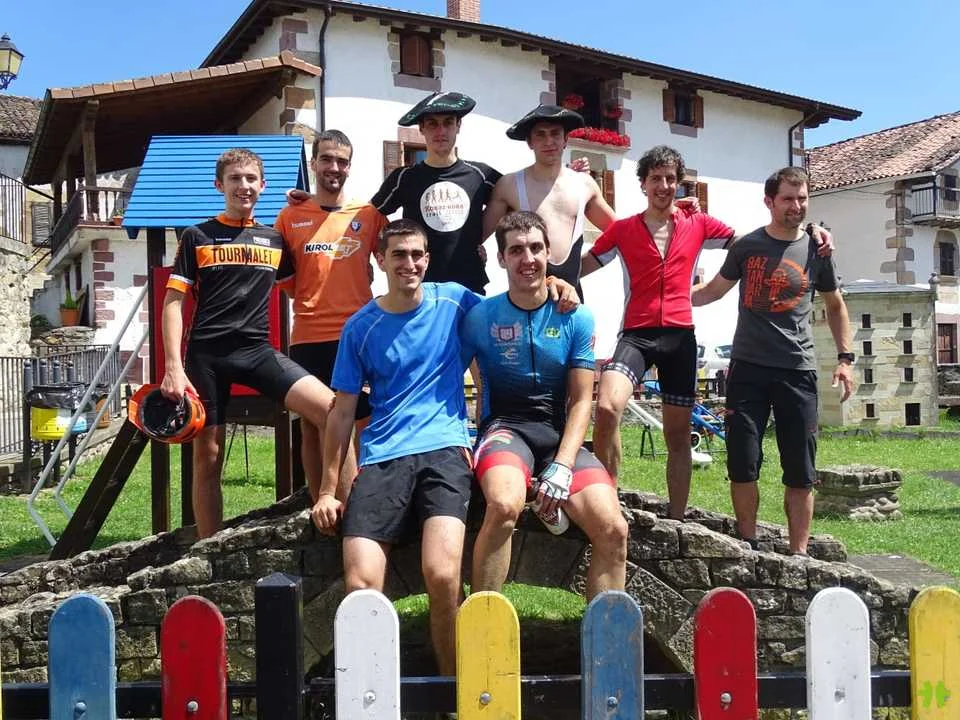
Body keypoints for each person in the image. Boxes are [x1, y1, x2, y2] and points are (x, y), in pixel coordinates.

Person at [313, 218, 579, 676]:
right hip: (382, 458)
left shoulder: (454, 301)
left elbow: (514, 304)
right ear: (380, 260)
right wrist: (326, 491)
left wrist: (554, 282)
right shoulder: (360, 327)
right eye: (399, 255)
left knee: (442, 576)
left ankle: (454, 690)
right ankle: (372, 695)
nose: (409, 263)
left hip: (445, 452)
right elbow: (340, 414)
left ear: (428, 259)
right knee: (361, 587)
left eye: (417, 254)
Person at [580, 145, 831, 522]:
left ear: (678, 184)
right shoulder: (623, 229)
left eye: (670, 179)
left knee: (678, 436)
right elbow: (580, 266)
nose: (664, 186)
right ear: (643, 184)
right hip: (636, 334)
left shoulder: (698, 224)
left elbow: (759, 242)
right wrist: (545, 271)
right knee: (606, 407)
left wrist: (809, 232)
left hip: (680, 337)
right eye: (655, 179)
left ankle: (676, 518)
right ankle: (607, 505)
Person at [160, 148, 335, 539]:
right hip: (207, 356)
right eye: (235, 179)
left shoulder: (274, 239)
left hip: (257, 351)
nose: (244, 186)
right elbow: (173, 302)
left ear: (263, 185)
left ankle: (335, 512)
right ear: (219, 185)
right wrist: (173, 368)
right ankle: (208, 551)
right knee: (208, 458)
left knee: (331, 409)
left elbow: (303, 284)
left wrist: (312, 202)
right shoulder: (196, 236)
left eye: (251, 179)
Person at [462, 211, 627, 599]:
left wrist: (563, 465)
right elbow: (449, 379)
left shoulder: (576, 316)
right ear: (501, 258)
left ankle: (603, 635)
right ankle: (482, 624)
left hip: (557, 436)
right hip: (504, 429)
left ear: (549, 253)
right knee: (504, 505)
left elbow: (582, 399)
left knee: (614, 529)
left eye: (536, 248)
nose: (528, 258)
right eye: (516, 250)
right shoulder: (480, 316)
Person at [692, 166, 853, 554]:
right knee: (742, 461)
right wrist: (665, 294)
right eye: (788, 199)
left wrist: (845, 359)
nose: (796, 206)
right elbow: (712, 291)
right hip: (748, 369)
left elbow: (835, 305)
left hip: (798, 371)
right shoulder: (747, 247)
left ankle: (799, 555)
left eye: (802, 198)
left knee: (801, 470)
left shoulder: (818, 250)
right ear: (769, 202)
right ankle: (748, 545)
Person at [274, 129, 385, 519]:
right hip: (307, 335)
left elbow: (398, 255)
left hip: (358, 334)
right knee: (311, 426)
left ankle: (362, 506)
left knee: (362, 420)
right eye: (326, 159)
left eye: (341, 161)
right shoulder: (289, 217)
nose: (333, 167)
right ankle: (317, 508)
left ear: (350, 167)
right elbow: (287, 281)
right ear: (313, 163)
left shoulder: (368, 215)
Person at [372, 91, 500, 292]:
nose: (441, 131)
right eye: (432, 124)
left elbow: (512, 200)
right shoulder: (403, 177)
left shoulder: (481, 175)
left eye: (448, 122)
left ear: (458, 126)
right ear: (421, 128)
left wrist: (478, 237)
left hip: (469, 288)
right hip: (420, 290)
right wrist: (387, 254)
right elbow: (370, 215)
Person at [483, 105, 616, 296]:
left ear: (565, 140)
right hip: (527, 299)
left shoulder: (584, 185)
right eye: (540, 135)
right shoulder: (509, 186)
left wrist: (581, 267)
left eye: (555, 133)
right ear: (530, 142)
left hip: (571, 299)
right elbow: (474, 238)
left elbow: (622, 233)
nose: (549, 141)